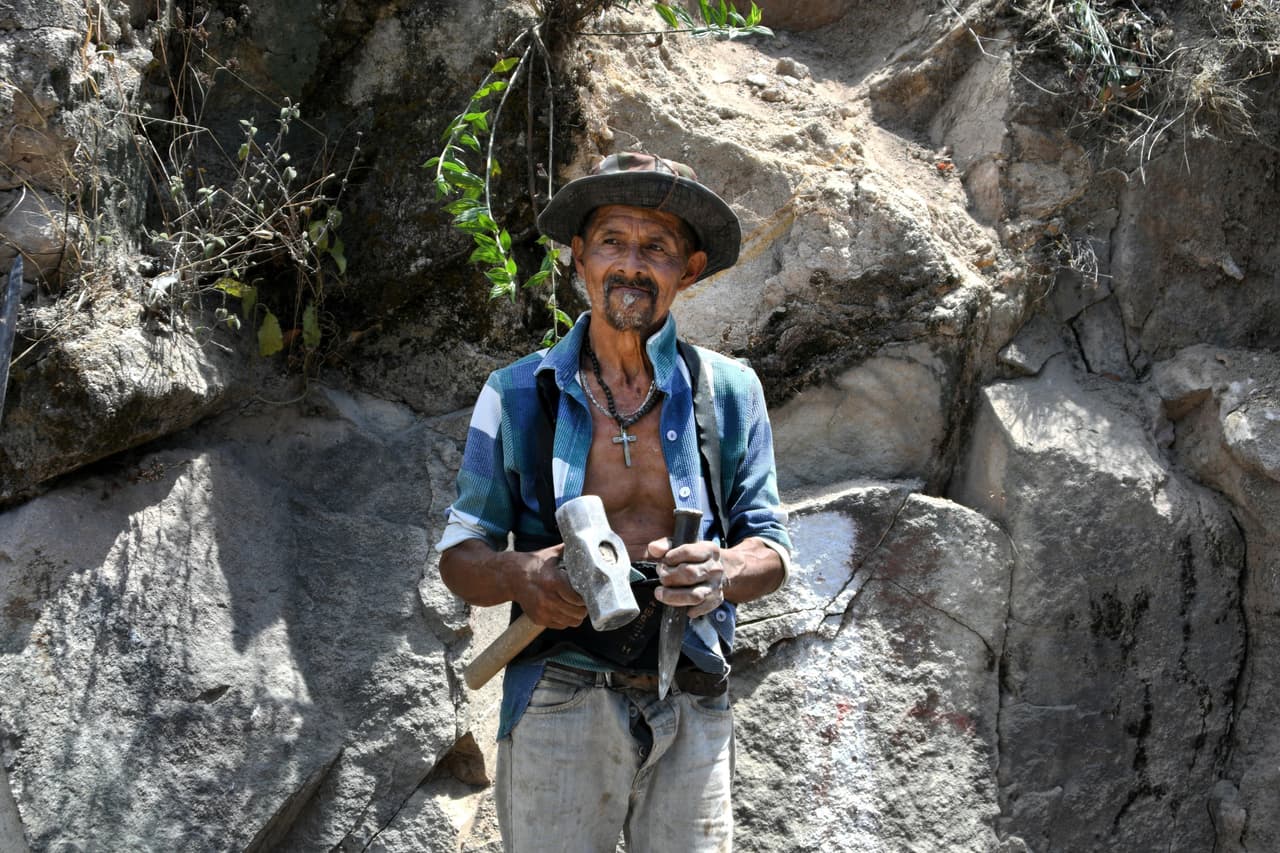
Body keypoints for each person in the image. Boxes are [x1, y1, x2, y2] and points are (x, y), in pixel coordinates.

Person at [435, 151, 792, 852]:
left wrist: (720, 572)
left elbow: (772, 548)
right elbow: (461, 555)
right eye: (611, 242)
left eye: (656, 247)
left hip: (692, 692)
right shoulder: (513, 394)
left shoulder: (730, 392)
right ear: (579, 258)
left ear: (687, 270)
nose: (632, 264)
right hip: (559, 694)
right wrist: (522, 577)